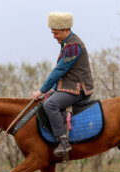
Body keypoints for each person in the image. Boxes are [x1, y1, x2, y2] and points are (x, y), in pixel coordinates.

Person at [32, 12, 94, 157]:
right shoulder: (67, 43)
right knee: (48, 100)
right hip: (69, 87)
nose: (54, 36)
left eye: (56, 33)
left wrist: (42, 90)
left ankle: (63, 141)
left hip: (78, 89)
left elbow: (59, 70)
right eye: (53, 33)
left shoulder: (73, 46)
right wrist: (51, 90)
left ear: (66, 30)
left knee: (50, 105)